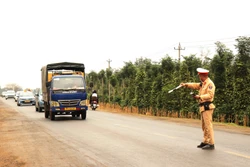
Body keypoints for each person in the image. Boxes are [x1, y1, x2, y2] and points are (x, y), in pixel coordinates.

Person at [180, 67, 216, 150]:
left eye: (200, 76)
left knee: (208, 126)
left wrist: (200, 97)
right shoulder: (203, 83)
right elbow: (195, 85)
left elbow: (210, 95)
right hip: (203, 107)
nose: (199, 78)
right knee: (204, 126)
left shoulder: (210, 84)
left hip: (207, 106)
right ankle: (205, 141)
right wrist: (186, 84)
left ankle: (211, 143)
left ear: (204, 75)